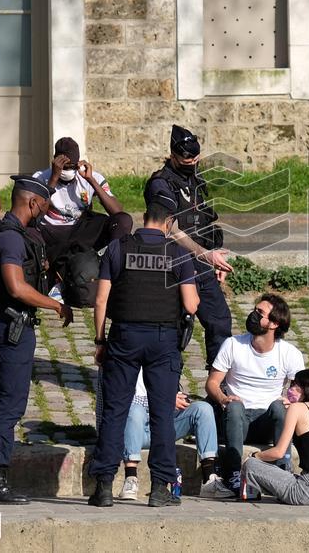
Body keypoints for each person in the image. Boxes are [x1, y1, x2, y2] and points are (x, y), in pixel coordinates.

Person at [87, 192, 200, 508]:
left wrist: (100, 341)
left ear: (145, 218)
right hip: (163, 341)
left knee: (115, 410)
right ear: (168, 223)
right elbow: (191, 304)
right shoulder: (177, 254)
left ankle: (104, 486)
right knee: (162, 412)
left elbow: (100, 300)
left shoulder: (119, 248)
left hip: (124, 337)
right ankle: (161, 489)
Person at [0, 176, 73, 504]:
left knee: (7, 403)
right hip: (12, 328)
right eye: (43, 206)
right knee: (9, 405)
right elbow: (16, 287)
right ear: (32, 203)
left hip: (10, 324)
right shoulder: (10, 239)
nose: (44, 212)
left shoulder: (8, 231)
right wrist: (56, 305)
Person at [145, 125, 233, 368]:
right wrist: (206, 255)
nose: (192, 162)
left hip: (203, 264)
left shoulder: (195, 179)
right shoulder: (160, 185)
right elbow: (170, 229)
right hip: (174, 264)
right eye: (187, 158)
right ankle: (169, 383)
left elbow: (206, 220)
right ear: (173, 155)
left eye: (196, 158)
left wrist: (218, 259)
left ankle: (219, 383)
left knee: (220, 322)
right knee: (176, 327)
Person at [205, 293, 305, 496]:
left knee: (280, 407)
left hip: (267, 420)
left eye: (260, 312)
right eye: (255, 310)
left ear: (274, 324)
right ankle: (233, 475)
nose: (253, 315)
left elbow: (302, 390)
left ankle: (283, 471)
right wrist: (223, 398)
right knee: (234, 406)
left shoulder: (289, 353)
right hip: (237, 419)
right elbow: (212, 383)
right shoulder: (233, 344)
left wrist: (291, 400)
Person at [104, 369, 234, 501]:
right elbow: (120, 402)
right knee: (136, 411)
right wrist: (166, 400)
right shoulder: (124, 362)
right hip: (135, 432)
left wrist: (178, 398)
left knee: (203, 409)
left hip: (163, 428)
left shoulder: (162, 359)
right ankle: (130, 479)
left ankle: (209, 478)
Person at [242, 369, 309, 505]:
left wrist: (255, 456)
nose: (291, 389)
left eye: (295, 386)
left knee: (251, 465)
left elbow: (279, 452)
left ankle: (251, 495)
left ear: (307, 389)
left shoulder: (297, 408)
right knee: (292, 477)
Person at [32, 137, 132, 286]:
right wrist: (54, 178)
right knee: (30, 231)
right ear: (55, 161)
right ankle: (59, 266)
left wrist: (91, 180)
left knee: (123, 220)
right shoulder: (41, 177)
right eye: (64, 167)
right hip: (53, 232)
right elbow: (36, 216)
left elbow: (117, 211)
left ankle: (111, 271)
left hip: (80, 232)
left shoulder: (90, 176)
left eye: (72, 166)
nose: (68, 171)